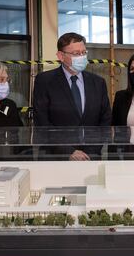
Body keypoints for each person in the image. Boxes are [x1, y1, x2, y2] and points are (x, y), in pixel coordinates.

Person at [33, 32, 111, 161]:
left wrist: (91, 151)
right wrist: (68, 151)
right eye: (76, 54)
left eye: (84, 53)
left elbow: (105, 120)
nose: (81, 57)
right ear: (60, 56)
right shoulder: (44, 81)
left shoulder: (98, 82)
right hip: (56, 157)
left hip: (90, 157)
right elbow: (42, 122)